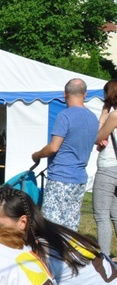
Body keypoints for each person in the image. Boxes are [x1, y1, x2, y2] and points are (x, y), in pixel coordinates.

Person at [33, 78, 98, 230]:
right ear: (85, 94)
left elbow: (53, 148)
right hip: (80, 178)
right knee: (71, 224)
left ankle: (53, 254)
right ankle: (68, 253)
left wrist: (36, 155)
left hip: (61, 177)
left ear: (64, 94)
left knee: (51, 225)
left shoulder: (65, 116)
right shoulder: (92, 117)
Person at [93, 78, 117, 255]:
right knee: (115, 213)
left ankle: (105, 259)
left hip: (109, 167)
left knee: (101, 215)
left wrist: (103, 116)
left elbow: (97, 136)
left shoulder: (114, 115)